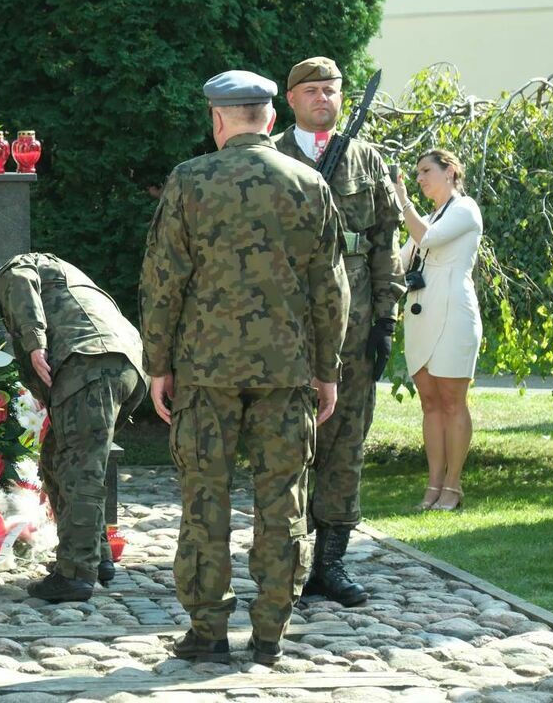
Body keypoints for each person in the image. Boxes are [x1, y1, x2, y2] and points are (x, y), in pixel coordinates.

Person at [141, 70, 349, 666]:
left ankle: (207, 631)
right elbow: (330, 289)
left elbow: (163, 282)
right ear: (271, 118)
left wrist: (159, 363)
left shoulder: (189, 182)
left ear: (217, 120)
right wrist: (327, 369)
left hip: (204, 371)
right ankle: (270, 632)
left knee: (204, 498)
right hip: (287, 372)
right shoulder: (309, 183)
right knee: (281, 500)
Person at [273, 56, 405, 607]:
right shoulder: (270, 156)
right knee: (287, 443)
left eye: (332, 90)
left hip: (353, 327)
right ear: (291, 99)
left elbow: (386, 241)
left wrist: (385, 320)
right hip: (286, 329)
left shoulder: (366, 159)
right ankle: (290, 558)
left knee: (346, 440)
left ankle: (331, 562)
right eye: (313, 91)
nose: (324, 99)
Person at [0, 253, 148, 603]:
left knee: (79, 468)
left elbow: (17, 279)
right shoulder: (68, 278)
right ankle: (97, 556)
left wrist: (33, 342)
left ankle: (76, 573)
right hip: (127, 367)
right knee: (57, 459)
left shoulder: (21, 264)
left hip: (88, 361)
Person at [395, 149, 483, 512]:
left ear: (450, 172)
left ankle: (453, 486)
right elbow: (399, 263)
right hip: (420, 315)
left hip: (454, 313)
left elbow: (427, 238)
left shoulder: (465, 209)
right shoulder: (428, 216)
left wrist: (402, 202)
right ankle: (433, 485)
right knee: (430, 403)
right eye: (416, 173)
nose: (419, 178)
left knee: (452, 400)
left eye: (426, 171)